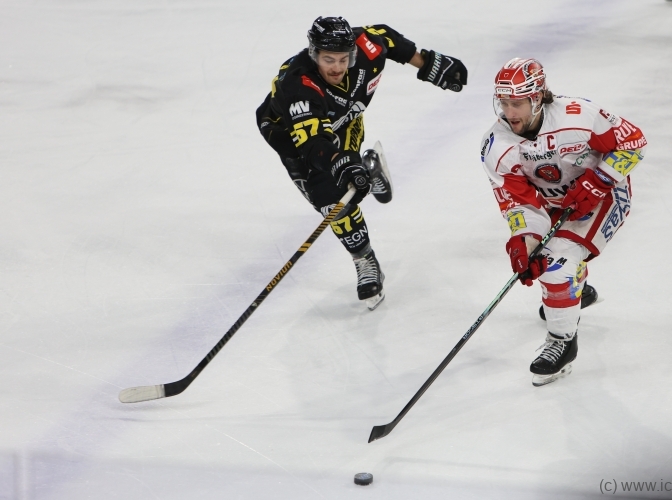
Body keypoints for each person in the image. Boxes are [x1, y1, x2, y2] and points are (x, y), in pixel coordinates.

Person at [256, 17, 467, 310]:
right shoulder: (297, 86)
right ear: (314, 54)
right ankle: (365, 257)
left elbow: (388, 38)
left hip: (344, 121)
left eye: (343, 59)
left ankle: (363, 172)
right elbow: (314, 144)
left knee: (340, 192)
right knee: (329, 201)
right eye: (328, 59)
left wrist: (427, 63)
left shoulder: (366, 48)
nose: (337, 67)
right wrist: (340, 163)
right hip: (295, 139)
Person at [479, 58, 647, 386]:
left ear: (537, 98)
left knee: (558, 265)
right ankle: (572, 293)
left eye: (517, 103)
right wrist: (525, 241)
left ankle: (562, 342)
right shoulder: (496, 146)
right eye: (504, 103)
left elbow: (633, 143)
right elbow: (519, 202)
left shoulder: (579, 116)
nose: (509, 112)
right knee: (541, 260)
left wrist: (599, 180)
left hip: (605, 196)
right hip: (555, 206)